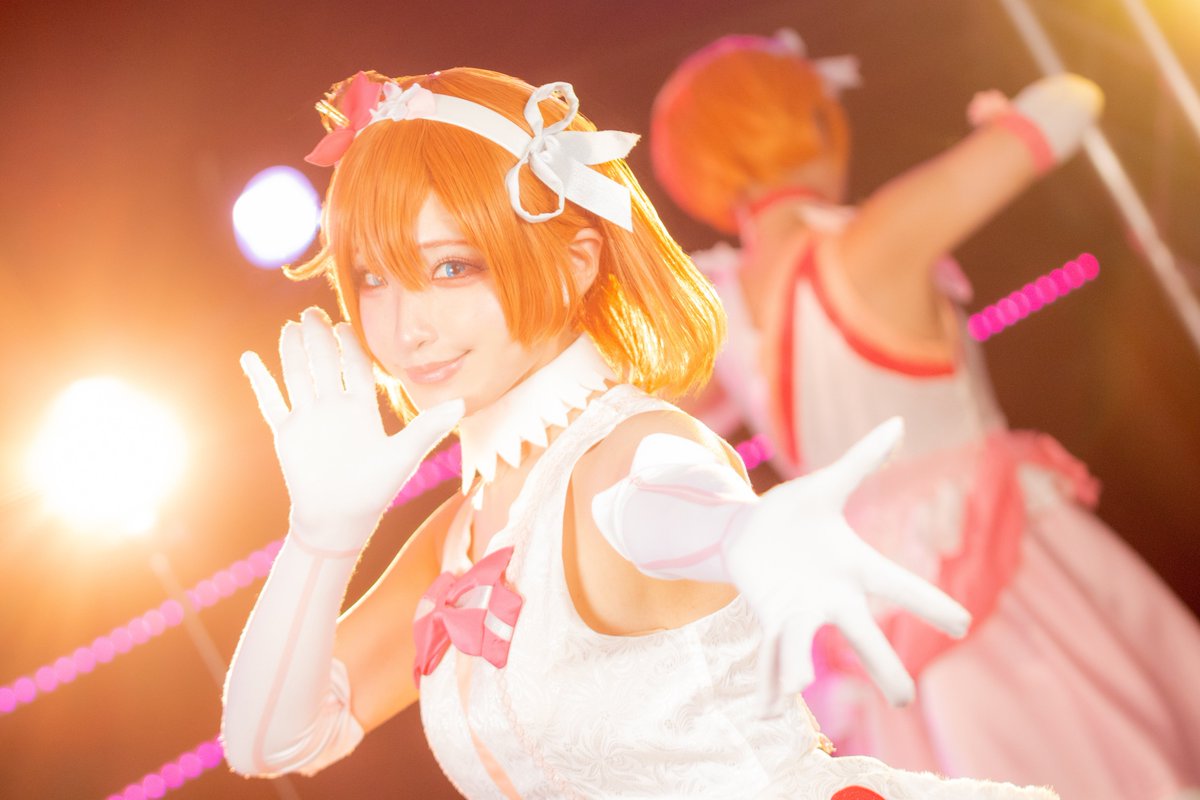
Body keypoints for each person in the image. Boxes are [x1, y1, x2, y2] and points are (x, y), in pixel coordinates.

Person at [216, 67, 1071, 799]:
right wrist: (322, 535)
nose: (407, 328)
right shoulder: (457, 536)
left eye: (451, 266)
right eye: (374, 278)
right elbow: (268, 743)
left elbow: (661, 501)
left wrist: (744, 536)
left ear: (575, 260)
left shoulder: (627, 452)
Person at [650, 31, 1200, 800]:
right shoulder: (873, 240)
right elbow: (1072, 103)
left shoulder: (720, 310)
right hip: (989, 557)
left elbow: (648, 429)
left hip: (867, 605)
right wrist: (1002, 122)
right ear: (813, 119)